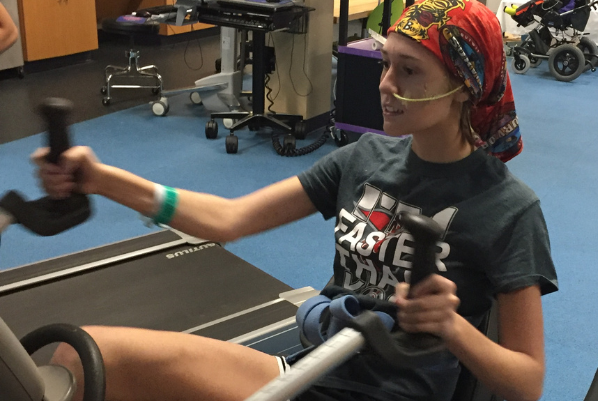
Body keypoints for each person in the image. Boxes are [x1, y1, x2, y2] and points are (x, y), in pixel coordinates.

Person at [34, 1, 557, 400]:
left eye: (410, 71)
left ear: (463, 88)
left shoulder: (508, 208)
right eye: (386, 65)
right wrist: (100, 179)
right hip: (314, 370)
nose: (386, 85)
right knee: (81, 358)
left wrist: (452, 327)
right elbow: (229, 219)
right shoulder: (364, 158)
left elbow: (526, 381)